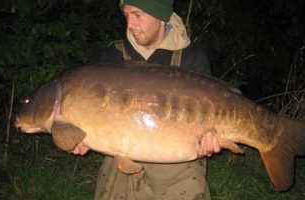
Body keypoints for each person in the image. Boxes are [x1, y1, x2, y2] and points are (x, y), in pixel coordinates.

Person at [71, 0, 222, 199]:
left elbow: (207, 121)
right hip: (121, 164)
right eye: (126, 16)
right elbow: (99, 114)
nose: (130, 24)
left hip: (178, 167)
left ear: (160, 16)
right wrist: (83, 136)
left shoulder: (191, 57)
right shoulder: (113, 56)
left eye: (137, 15)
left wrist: (208, 144)